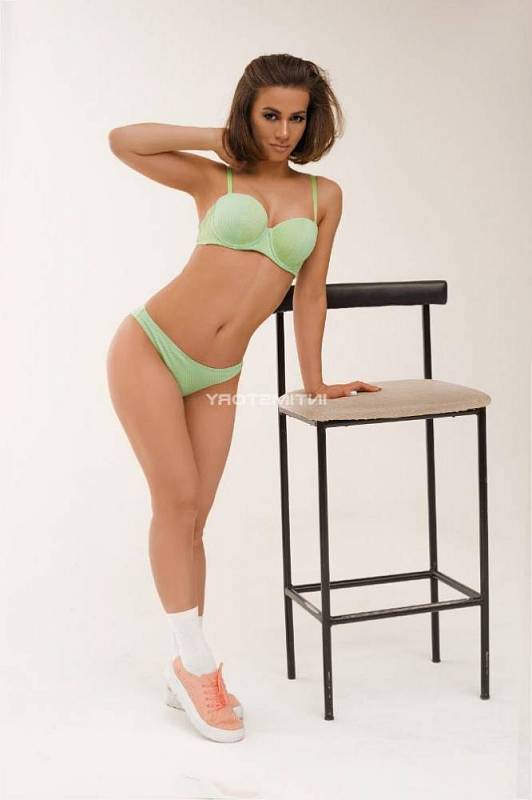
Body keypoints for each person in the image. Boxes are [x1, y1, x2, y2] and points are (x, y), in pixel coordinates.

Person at [105, 53, 382, 743]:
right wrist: (217, 137)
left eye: (297, 117)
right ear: (247, 114)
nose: (284, 131)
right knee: (175, 501)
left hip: (220, 375)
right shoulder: (215, 176)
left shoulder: (324, 196)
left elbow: (310, 294)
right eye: (270, 115)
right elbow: (124, 141)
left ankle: (184, 665)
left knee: (196, 518)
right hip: (150, 348)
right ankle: (199, 667)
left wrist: (315, 380)